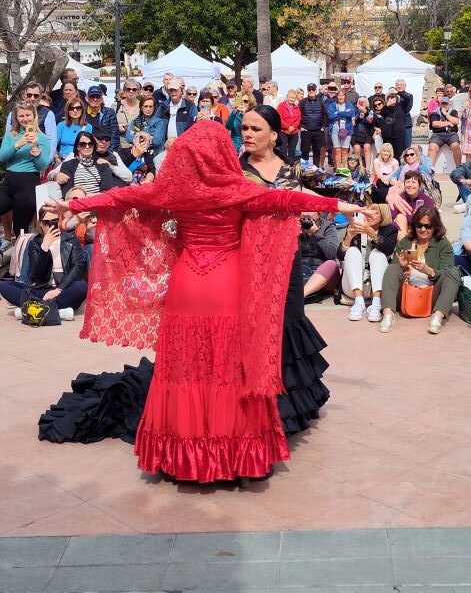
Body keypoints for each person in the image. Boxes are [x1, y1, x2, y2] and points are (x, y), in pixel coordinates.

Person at [45, 120, 359, 483]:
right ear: (223, 153)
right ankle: (233, 456)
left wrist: (77, 204)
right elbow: (288, 199)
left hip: (187, 283)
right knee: (228, 368)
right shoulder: (238, 189)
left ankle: (183, 457)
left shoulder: (173, 191)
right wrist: (339, 205)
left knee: (184, 367)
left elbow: (122, 196)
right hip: (227, 283)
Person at [239, 106, 363, 439]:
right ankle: (256, 400)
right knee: (255, 326)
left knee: (289, 320)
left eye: (256, 128)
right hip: (249, 258)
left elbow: (338, 180)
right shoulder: (236, 170)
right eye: (244, 128)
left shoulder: (293, 167)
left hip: (287, 255)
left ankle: (291, 402)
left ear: (274, 135)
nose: (247, 134)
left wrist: (350, 200)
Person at [380, 205, 461, 335]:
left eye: (428, 226)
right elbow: (394, 273)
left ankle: (438, 316)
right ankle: (388, 315)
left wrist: (429, 271)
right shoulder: (405, 242)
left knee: (453, 273)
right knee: (392, 268)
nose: (423, 229)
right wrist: (402, 265)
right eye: (419, 225)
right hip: (407, 292)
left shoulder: (443, 244)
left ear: (435, 226)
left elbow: (447, 269)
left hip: (431, 294)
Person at [0, 204, 87, 320]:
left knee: (81, 287)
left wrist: (59, 289)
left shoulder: (71, 240)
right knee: (4, 286)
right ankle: (58, 312)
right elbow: (36, 274)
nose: (51, 226)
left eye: (54, 221)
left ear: (60, 221)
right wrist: (44, 248)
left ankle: (32, 309)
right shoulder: (35, 243)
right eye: (47, 222)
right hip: (41, 290)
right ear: (40, 223)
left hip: (63, 290)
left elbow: (77, 267)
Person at [337, 203, 398, 322]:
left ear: (383, 215)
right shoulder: (355, 227)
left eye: (375, 212)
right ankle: (359, 302)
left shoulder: (390, 230)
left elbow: (388, 249)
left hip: (378, 288)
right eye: (367, 211)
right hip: (354, 287)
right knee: (352, 251)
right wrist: (348, 238)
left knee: (377, 254)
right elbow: (340, 256)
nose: (369, 215)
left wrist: (372, 233)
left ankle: (376, 303)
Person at [0, 102, 52, 235]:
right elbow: (2, 157)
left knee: (20, 229)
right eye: (21, 116)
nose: (25, 119)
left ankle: (19, 254)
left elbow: (42, 166)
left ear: (34, 116)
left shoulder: (42, 138)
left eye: (28, 115)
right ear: (16, 118)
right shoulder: (11, 135)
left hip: (28, 184)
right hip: (9, 182)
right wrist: (18, 144)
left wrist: (35, 149)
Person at [54, 132, 116, 196]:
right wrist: (54, 176)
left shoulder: (102, 164)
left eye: (90, 144)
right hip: (76, 201)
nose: (87, 147)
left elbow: (107, 190)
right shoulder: (68, 165)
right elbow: (67, 192)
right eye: (83, 144)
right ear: (78, 147)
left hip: (98, 202)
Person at [300, 211, 340, 299]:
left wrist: (316, 232)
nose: (306, 214)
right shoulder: (295, 226)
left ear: (318, 214)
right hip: (300, 273)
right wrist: (293, 234)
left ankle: (300, 296)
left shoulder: (327, 226)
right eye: (303, 209)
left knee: (331, 264)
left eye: (310, 210)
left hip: (323, 277)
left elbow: (331, 253)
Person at [386, 170, 435, 239]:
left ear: (419, 185)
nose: (410, 185)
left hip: (421, 231)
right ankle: (404, 246)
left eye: (413, 182)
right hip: (402, 232)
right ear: (404, 184)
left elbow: (433, 220)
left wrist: (418, 217)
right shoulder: (398, 199)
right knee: (400, 217)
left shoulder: (427, 200)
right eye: (407, 182)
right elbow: (391, 219)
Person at [428, 95, 461, 168]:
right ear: (440, 104)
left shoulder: (453, 111)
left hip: (451, 134)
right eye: (443, 103)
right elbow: (434, 124)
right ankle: (430, 169)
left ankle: (459, 168)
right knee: (432, 147)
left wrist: (446, 114)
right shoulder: (435, 112)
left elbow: (456, 122)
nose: (444, 105)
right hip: (438, 134)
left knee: (455, 146)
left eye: (446, 103)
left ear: (448, 104)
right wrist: (449, 123)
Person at [299, 82, 327, 164]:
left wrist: (323, 127)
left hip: (318, 130)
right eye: (309, 89)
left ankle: (316, 171)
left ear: (315, 90)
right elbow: (298, 115)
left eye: (313, 89)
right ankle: (305, 171)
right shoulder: (302, 102)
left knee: (317, 152)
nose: (311, 91)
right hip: (306, 131)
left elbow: (325, 114)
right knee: (304, 152)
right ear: (307, 91)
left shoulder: (320, 101)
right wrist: (300, 126)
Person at [84, 86, 119, 151]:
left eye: (97, 97)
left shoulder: (110, 112)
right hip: (86, 149)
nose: (95, 99)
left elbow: (115, 136)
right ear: (86, 98)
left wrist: (109, 154)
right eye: (92, 96)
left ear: (102, 99)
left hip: (105, 150)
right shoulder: (82, 113)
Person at [327, 89, 355, 169]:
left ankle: (344, 168)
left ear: (345, 96)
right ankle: (339, 169)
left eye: (342, 95)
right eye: (339, 95)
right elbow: (330, 116)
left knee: (345, 150)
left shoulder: (349, 105)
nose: (341, 97)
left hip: (347, 129)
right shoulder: (332, 105)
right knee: (337, 151)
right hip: (335, 129)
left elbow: (350, 114)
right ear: (337, 96)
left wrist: (338, 113)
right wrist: (344, 114)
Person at [381, 90, 407, 162]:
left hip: (399, 135)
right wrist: (387, 106)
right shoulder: (385, 108)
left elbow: (408, 98)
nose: (391, 98)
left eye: (393, 97)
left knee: (398, 154)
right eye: (389, 97)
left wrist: (398, 92)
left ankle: (397, 170)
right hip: (388, 135)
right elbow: (382, 113)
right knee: (387, 154)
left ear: (397, 98)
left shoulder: (401, 105)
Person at [277, 89, 302, 164]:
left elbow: (298, 119)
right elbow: (279, 118)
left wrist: (292, 127)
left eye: (293, 98)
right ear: (287, 97)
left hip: (294, 132)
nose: (291, 99)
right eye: (290, 97)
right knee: (283, 150)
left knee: (292, 151)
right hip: (283, 131)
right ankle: (283, 166)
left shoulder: (296, 107)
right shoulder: (281, 106)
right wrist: (288, 127)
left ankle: (290, 167)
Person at [116, 78, 141, 148]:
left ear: (138, 91)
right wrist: (116, 126)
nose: (131, 91)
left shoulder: (142, 106)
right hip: (120, 147)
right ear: (124, 90)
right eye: (128, 89)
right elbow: (108, 125)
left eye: (134, 89)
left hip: (138, 146)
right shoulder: (116, 106)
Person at [351, 97, 374, 171]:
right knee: (357, 148)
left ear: (366, 103)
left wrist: (365, 112)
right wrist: (359, 117)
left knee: (367, 147)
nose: (362, 103)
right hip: (356, 134)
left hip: (366, 134)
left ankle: (367, 170)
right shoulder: (354, 111)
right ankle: (357, 168)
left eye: (363, 102)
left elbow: (371, 122)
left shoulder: (370, 112)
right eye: (360, 102)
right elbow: (354, 123)